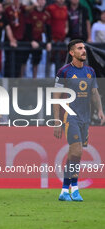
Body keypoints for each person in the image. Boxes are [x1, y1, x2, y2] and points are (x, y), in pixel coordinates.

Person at [53, 39, 104, 202]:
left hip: (85, 118)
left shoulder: (90, 71)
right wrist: (56, 121)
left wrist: (100, 110)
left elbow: (95, 92)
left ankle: (63, 191)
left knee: (74, 155)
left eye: (84, 48)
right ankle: (74, 189)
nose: (84, 51)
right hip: (70, 117)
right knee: (77, 152)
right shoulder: (64, 72)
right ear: (71, 52)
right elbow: (56, 96)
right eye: (79, 48)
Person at [25, 0, 52, 78]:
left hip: (39, 41)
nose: (41, 2)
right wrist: (31, 40)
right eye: (39, 0)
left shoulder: (46, 15)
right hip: (29, 41)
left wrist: (49, 42)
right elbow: (27, 28)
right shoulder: (31, 13)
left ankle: (35, 80)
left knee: (36, 61)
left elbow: (48, 29)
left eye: (43, 0)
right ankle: (21, 81)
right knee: (23, 60)